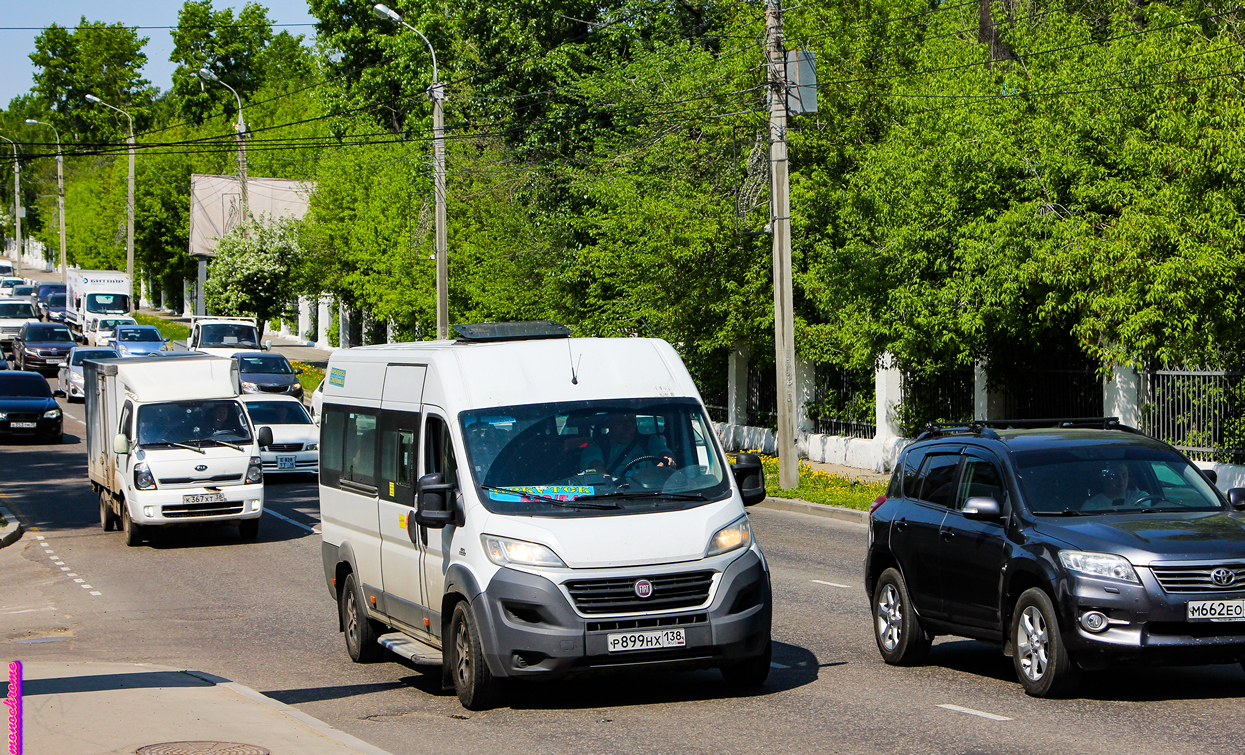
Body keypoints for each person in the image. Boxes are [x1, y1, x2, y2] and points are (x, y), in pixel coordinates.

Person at [581, 413, 675, 478]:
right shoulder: (595, 447)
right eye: (621, 421)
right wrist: (604, 477)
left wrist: (667, 461)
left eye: (631, 421)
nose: (627, 425)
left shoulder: (649, 441)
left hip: (652, 492)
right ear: (610, 424)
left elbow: (666, 455)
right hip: (615, 496)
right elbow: (597, 469)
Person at [1083, 461, 1147, 511]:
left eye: (1124, 475)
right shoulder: (1091, 506)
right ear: (1103, 478)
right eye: (1115, 476)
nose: (1121, 481)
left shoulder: (1140, 497)